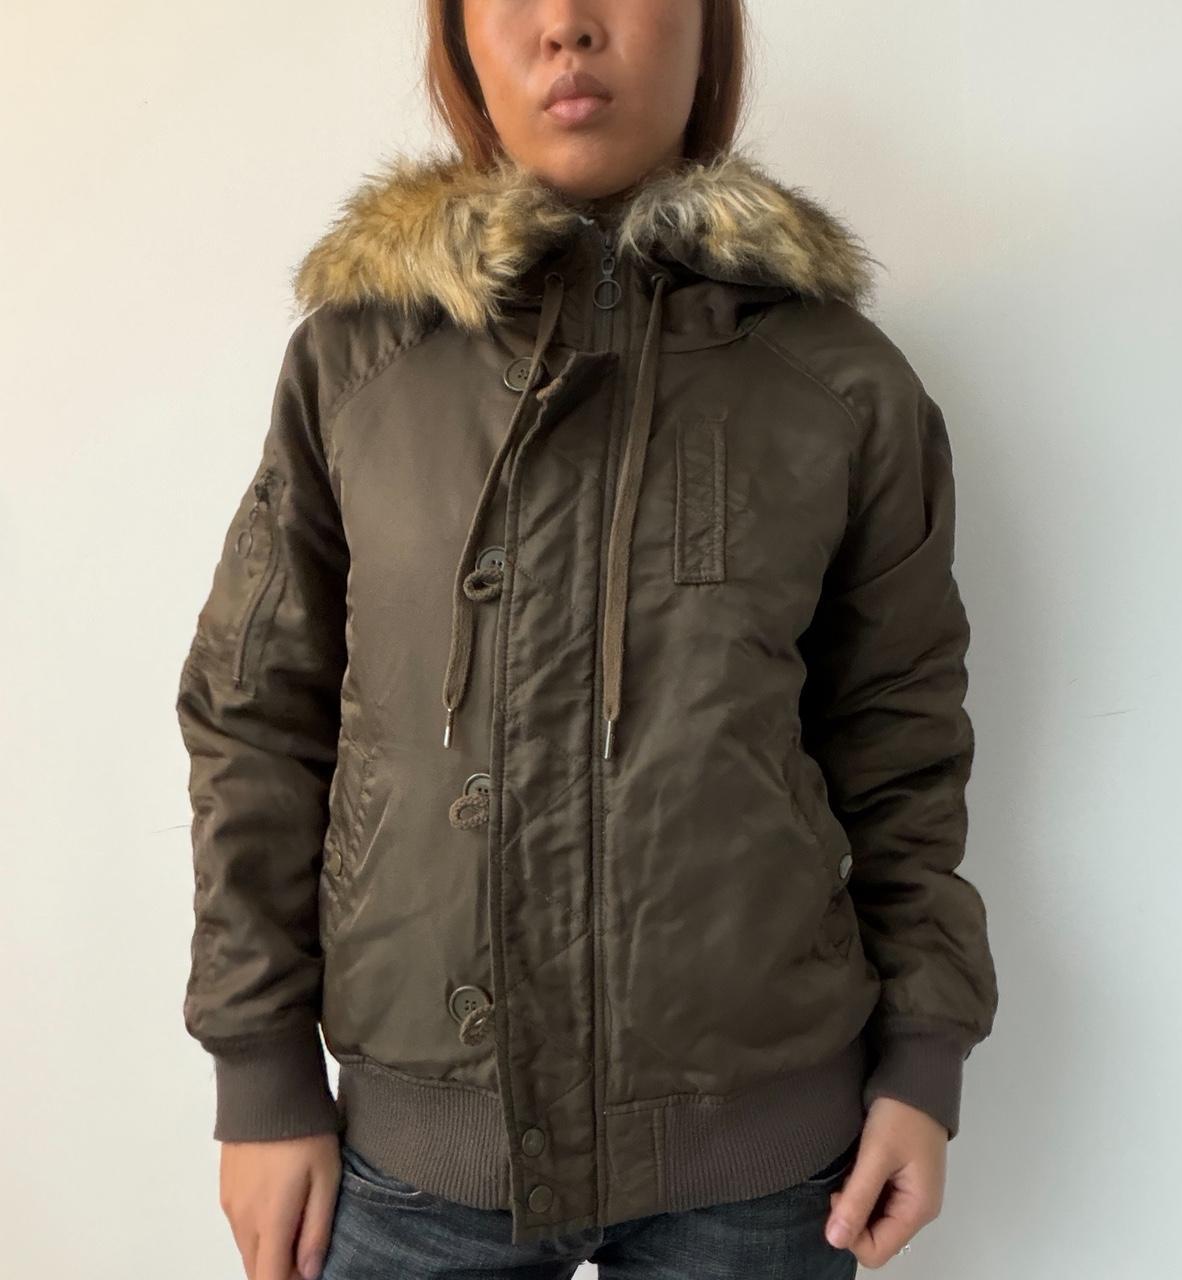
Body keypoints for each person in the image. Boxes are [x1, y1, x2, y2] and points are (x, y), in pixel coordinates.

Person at [174, 2, 999, 1277]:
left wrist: (922, 1058)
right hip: (415, 1165)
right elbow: (254, 717)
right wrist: (261, 1067)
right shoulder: (358, 365)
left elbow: (901, 742)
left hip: (764, 1166)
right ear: (458, 40)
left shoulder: (838, 382)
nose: (565, 25)